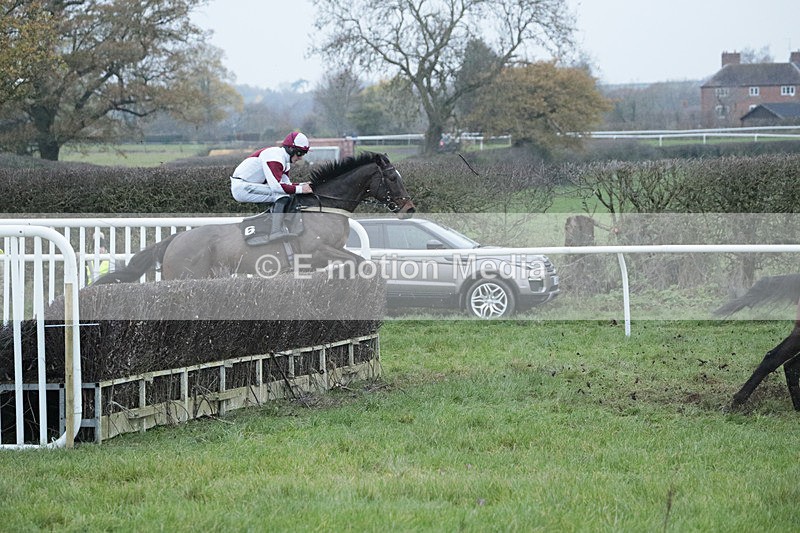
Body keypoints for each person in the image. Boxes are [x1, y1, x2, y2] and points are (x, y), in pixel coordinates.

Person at [230, 131, 314, 241]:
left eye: (303, 154)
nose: (301, 157)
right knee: (280, 196)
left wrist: (303, 185)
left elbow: (287, 185)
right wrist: (301, 189)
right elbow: (277, 187)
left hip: (246, 185)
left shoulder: (283, 161)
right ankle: (276, 231)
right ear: (290, 149)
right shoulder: (275, 157)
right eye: (299, 153)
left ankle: (277, 226)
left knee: (286, 195)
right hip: (242, 188)